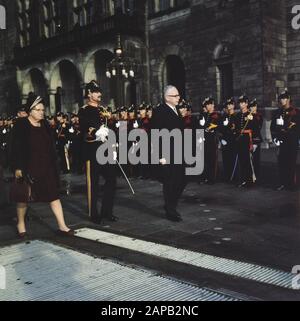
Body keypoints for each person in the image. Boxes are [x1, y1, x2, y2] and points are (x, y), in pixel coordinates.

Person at [10, 94, 73, 238]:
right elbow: (16, 148)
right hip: (28, 166)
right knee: (23, 197)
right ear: (30, 111)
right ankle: (21, 225)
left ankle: (62, 226)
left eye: (42, 110)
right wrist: (18, 168)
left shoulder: (45, 124)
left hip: (46, 166)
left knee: (54, 196)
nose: (41, 112)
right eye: (38, 110)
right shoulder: (21, 124)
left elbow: (50, 145)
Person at [78, 81, 118, 224]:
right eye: (96, 91)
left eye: (99, 91)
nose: (99, 94)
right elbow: (84, 127)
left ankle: (107, 211)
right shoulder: (83, 110)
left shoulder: (103, 109)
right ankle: (93, 214)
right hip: (92, 150)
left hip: (106, 150)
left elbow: (111, 126)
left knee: (111, 180)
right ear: (89, 93)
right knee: (93, 183)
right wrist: (96, 132)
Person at [151, 85, 186, 222]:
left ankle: (170, 204)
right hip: (167, 151)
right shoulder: (160, 111)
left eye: (178, 95)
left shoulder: (175, 109)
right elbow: (156, 134)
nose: (179, 98)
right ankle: (170, 210)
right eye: (175, 96)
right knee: (169, 181)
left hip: (178, 150)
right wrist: (160, 156)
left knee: (182, 179)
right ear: (167, 97)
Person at [271, 89, 300, 191]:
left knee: (291, 163)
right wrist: (275, 139)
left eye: (284, 98)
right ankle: (283, 183)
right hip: (281, 142)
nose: (282, 100)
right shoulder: (277, 112)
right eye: (281, 99)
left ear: (288, 99)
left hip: (292, 142)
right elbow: (273, 127)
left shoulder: (296, 112)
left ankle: (291, 184)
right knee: (282, 163)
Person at [234, 95, 257, 188]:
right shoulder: (238, 115)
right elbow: (235, 128)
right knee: (241, 160)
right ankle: (243, 180)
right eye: (240, 102)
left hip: (247, 139)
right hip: (240, 140)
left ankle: (249, 181)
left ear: (247, 104)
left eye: (243, 102)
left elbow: (255, 129)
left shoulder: (250, 115)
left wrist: (255, 142)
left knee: (248, 161)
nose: (241, 104)